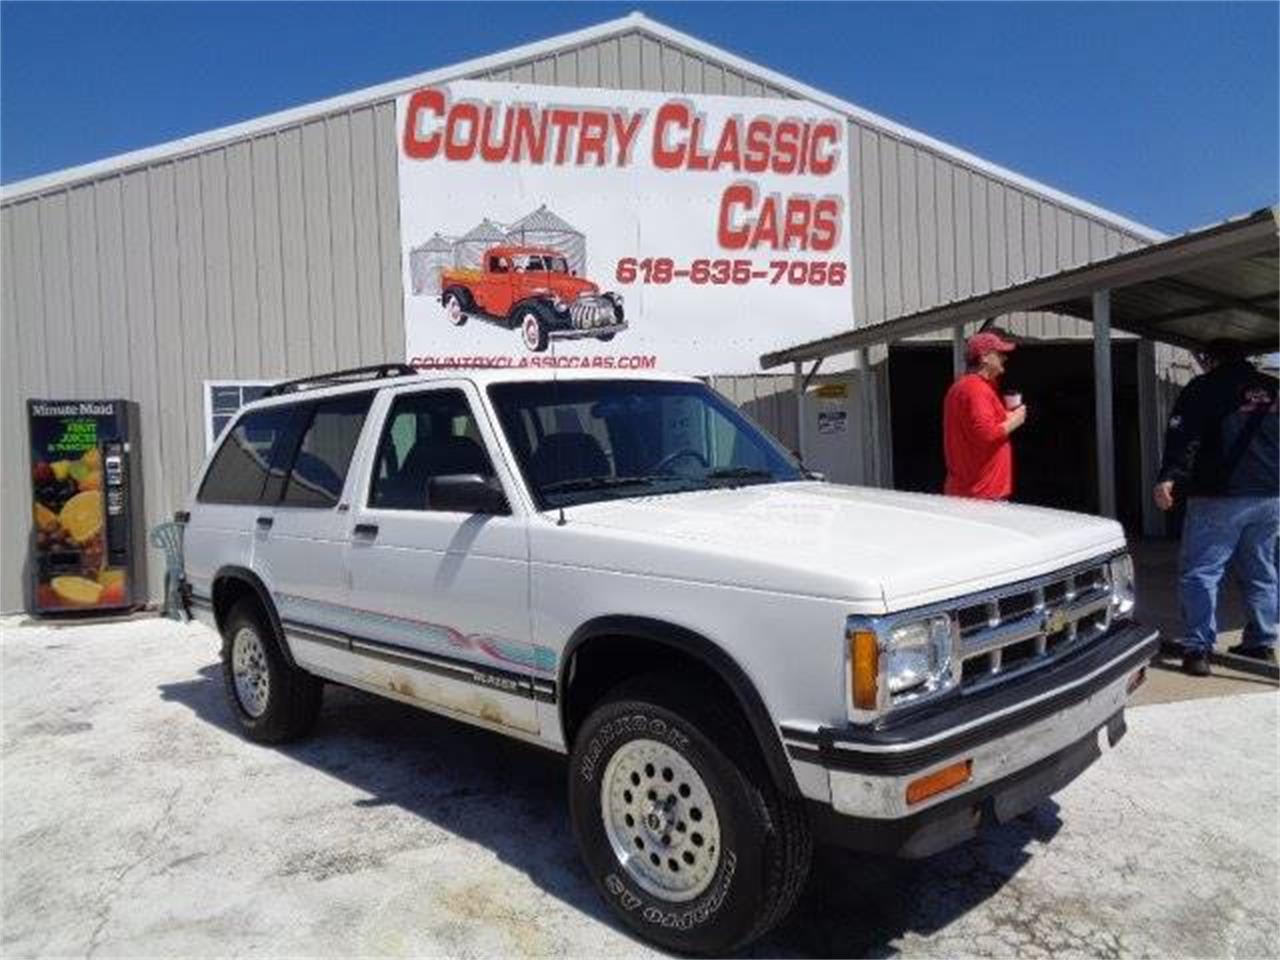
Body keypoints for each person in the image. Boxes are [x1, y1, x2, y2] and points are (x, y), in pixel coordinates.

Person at [1154, 340, 1279, 677]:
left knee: (1202, 572)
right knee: (1262, 571)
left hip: (1218, 496)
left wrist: (1168, 477)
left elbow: (1184, 435)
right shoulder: (1271, 388)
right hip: (1268, 495)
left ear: (1210, 360)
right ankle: (1261, 643)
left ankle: (1198, 649)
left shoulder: (1203, 387)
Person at [943, 329, 1028, 500]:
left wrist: (1007, 415)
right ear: (984, 357)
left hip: (972, 491)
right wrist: (1016, 420)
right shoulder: (976, 389)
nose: (1005, 358)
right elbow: (986, 433)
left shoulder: (964, 387)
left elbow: (981, 426)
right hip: (982, 494)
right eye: (999, 353)